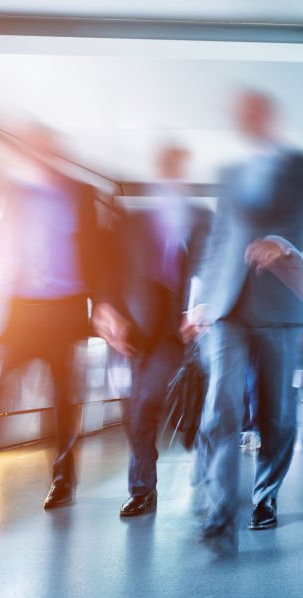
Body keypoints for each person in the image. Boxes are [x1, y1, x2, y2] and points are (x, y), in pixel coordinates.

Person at [184, 91, 303, 542]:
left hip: (279, 302)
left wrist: (281, 239)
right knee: (221, 402)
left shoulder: (302, 166)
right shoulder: (231, 174)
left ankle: (264, 495)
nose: (246, 118)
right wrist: (200, 298)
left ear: (269, 114)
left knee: (277, 412)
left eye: (254, 110)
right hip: (227, 306)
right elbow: (218, 240)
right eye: (239, 113)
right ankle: (220, 507)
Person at [0, 125, 108, 518]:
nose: (37, 156)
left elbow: (94, 255)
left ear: (55, 153)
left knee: (62, 404)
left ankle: (62, 481)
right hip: (21, 312)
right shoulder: (17, 193)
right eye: (31, 149)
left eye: (44, 149)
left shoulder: (79, 194)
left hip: (62, 312)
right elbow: (0, 238)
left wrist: (101, 305)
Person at [93, 145, 211, 516]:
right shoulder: (132, 222)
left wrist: (201, 305)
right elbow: (109, 270)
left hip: (176, 322)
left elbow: (211, 263)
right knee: (133, 408)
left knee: (150, 400)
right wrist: (105, 308)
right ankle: (143, 487)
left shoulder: (201, 218)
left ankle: (182, 450)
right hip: (133, 323)